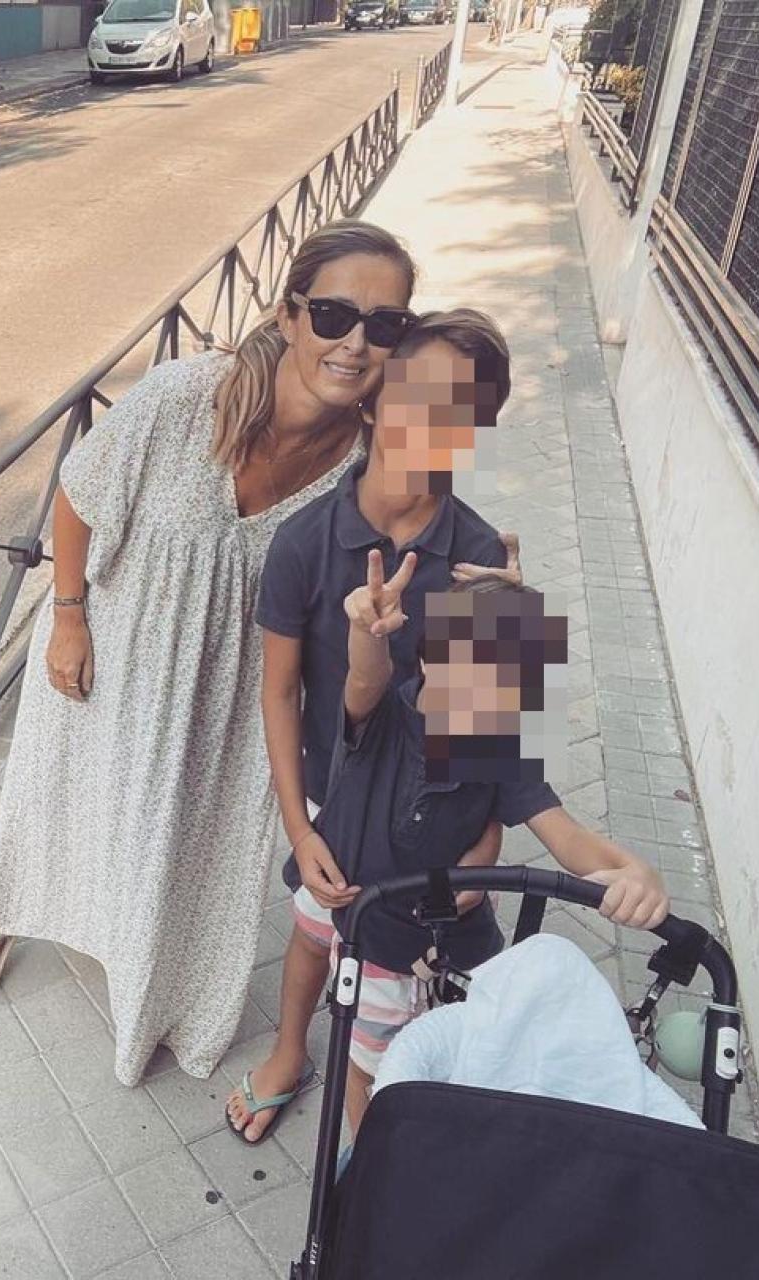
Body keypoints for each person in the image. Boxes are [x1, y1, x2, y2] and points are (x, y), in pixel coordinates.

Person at [0, 221, 421, 1086]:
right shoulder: (187, 396)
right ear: (291, 313)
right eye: (334, 315)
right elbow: (79, 494)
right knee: (53, 801)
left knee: (175, 843)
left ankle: (151, 988)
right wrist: (67, 616)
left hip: (232, 689)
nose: (355, 342)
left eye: (383, 325)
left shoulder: (366, 466)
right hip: (108, 649)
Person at [228, 310, 524, 1141]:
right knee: (311, 934)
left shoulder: (484, 562)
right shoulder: (301, 542)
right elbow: (278, 694)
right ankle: (290, 1049)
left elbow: (497, 733)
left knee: (400, 978)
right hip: (332, 803)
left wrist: (487, 841)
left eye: (464, 409)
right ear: (374, 401)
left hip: (431, 820)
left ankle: (380, 1101)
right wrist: (299, 825)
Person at [293, 567, 670, 1144]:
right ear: (427, 661)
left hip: (454, 938)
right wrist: (366, 630)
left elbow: (566, 837)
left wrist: (633, 871)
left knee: (474, 1049)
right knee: (365, 1064)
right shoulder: (384, 717)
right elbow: (366, 677)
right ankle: (373, 1156)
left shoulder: (502, 745)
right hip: (368, 932)